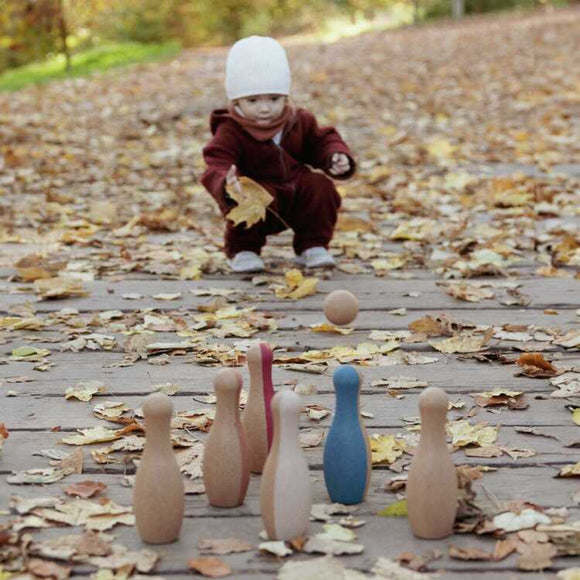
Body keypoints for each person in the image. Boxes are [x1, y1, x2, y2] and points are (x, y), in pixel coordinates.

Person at [201, 36, 356, 272]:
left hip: (295, 192)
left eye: (274, 99)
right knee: (247, 196)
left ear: (285, 96)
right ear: (236, 99)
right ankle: (243, 249)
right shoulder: (230, 130)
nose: (265, 108)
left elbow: (321, 141)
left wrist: (334, 156)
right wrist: (226, 181)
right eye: (253, 100)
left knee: (319, 186)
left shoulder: (298, 120)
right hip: (259, 194)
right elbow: (216, 161)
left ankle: (312, 245)